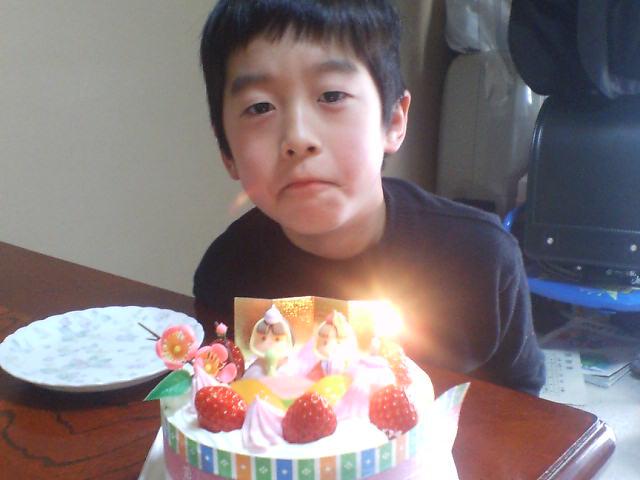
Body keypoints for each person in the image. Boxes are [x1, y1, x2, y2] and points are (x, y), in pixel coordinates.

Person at [193, 0, 545, 395]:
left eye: (331, 96)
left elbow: (522, 398)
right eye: (260, 107)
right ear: (227, 152)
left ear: (393, 121)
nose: (298, 138)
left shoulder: (481, 258)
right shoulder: (226, 272)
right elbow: (223, 391)